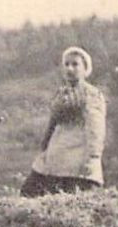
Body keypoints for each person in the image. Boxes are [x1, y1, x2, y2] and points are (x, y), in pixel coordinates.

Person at [20, 46, 107, 198]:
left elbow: (96, 128)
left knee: (71, 199)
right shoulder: (61, 94)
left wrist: (92, 156)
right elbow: (51, 125)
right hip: (55, 156)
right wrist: (44, 149)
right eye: (66, 64)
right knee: (29, 192)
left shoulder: (92, 95)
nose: (70, 68)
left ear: (85, 68)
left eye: (75, 64)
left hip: (77, 158)